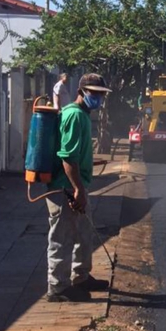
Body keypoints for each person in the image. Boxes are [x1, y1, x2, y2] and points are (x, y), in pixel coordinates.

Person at [45, 73, 112, 302]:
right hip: (65, 188)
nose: (99, 98)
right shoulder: (74, 115)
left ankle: (81, 277)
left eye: (101, 94)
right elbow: (67, 157)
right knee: (62, 237)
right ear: (82, 92)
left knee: (83, 233)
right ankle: (58, 288)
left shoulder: (83, 116)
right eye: (95, 94)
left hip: (76, 186)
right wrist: (78, 190)